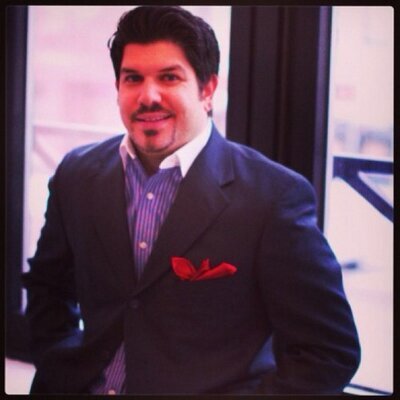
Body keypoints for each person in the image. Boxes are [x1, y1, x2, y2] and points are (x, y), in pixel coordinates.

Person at [22, 5, 360, 395]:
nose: (148, 96)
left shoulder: (273, 197)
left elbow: (328, 352)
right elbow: (47, 288)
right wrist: (59, 363)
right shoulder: (76, 174)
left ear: (207, 89)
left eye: (169, 77)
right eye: (133, 78)